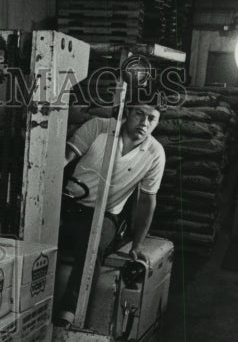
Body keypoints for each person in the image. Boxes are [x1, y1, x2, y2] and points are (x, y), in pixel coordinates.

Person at [57, 99, 165, 326]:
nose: (144, 122)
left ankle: (69, 313)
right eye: (139, 114)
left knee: (93, 243)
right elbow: (62, 160)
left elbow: (147, 201)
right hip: (69, 206)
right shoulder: (98, 127)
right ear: (127, 112)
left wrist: (137, 245)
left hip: (107, 215)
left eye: (151, 118)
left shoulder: (155, 153)